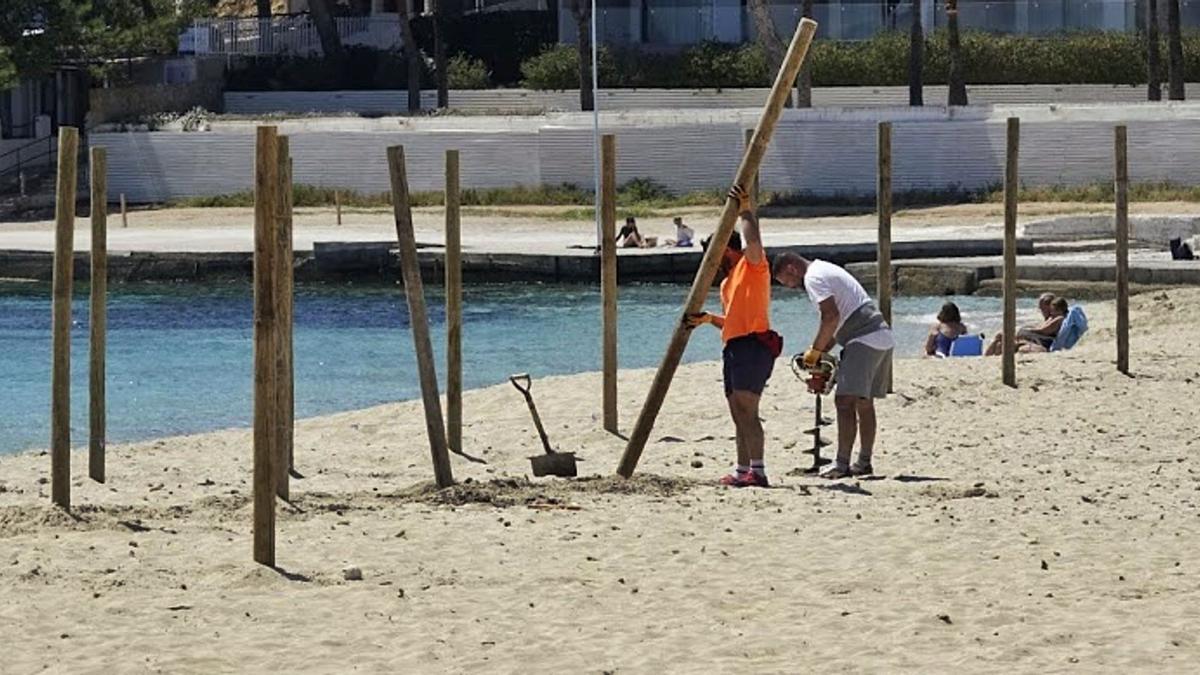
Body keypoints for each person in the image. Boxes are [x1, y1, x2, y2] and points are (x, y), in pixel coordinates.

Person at [685, 185, 781, 488]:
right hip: (735, 345)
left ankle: (758, 470)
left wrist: (745, 210)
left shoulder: (752, 266)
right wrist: (709, 320)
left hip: (754, 344)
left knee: (748, 408)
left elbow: (753, 241)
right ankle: (742, 469)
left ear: (725, 249)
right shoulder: (728, 283)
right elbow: (735, 320)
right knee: (736, 410)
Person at [773, 253, 895, 479]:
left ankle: (841, 465)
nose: (790, 287)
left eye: (786, 282)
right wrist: (818, 351)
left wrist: (815, 351)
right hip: (881, 336)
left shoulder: (813, 278)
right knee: (863, 402)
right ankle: (864, 462)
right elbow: (838, 326)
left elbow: (830, 317)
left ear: (791, 269)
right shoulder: (825, 269)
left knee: (844, 402)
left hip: (864, 338)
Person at [984, 293, 1064, 355]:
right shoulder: (1049, 318)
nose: (1040, 310)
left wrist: (1025, 331)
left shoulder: (1058, 318)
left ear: (1050, 306)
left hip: (1037, 344)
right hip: (1031, 341)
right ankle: (986, 359)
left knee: (1001, 340)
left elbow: (1043, 331)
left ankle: (985, 359)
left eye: (1042, 308)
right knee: (999, 342)